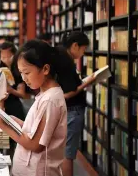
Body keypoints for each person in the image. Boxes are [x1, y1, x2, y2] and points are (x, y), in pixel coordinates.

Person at [0, 39, 72, 176]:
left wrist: (3, 126)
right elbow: (34, 129)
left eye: (27, 73)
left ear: (45, 69)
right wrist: (11, 120)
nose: (24, 78)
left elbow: (35, 145)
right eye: (21, 73)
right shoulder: (45, 94)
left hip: (37, 170)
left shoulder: (50, 100)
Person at [60, 31, 96, 176]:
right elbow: (68, 93)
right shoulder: (66, 63)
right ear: (75, 45)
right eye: (83, 49)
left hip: (69, 110)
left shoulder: (62, 59)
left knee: (66, 151)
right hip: (72, 111)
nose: (83, 53)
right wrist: (86, 83)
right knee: (68, 153)